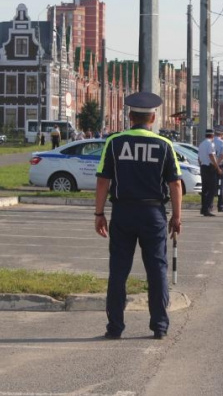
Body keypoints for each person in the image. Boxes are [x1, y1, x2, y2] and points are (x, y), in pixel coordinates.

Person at [94, 91, 182, 340]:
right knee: (157, 270)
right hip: (153, 213)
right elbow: (175, 184)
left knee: (119, 271)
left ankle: (115, 327)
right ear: (152, 118)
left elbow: (103, 181)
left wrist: (99, 213)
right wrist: (177, 217)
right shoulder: (164, 146)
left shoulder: (115, 142)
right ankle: (159, 326)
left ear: (129, 116)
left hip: (123, 212)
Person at [198, 128, 223, 217]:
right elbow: (211, 156)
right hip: (209, 168)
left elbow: (199, 158)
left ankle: (203, 208)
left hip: (203, 167)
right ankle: (207, 209)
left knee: (205, 189)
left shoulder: (201, 144)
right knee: (212, 189)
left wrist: (201, 166)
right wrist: (217, 168)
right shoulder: (210, 144)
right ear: (212, 135)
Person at [213, 127, 223, 213]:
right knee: (221, 186)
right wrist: (217, 166)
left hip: (210, 166)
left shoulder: (210, 141)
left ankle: (209, 206)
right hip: (220, 166)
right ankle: (221, 206)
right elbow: (221, 156)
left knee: (211, 187)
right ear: (222, 134)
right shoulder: (222, 143)